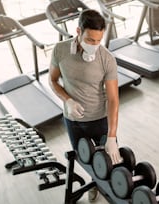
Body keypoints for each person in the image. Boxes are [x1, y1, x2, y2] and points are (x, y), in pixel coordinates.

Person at [48, 9, 122, 202]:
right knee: (83, 158)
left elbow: (114, 99)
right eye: (90, 40)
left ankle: (100, 184)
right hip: (72, 120)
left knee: (108, 163)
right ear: (78, 31)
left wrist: (112, 136)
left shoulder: (107, 59)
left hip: (99, 120)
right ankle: (93, 181)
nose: (94, 45)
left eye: (98, 41)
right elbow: (53, 81)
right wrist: (68, 100)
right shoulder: (60, 50)